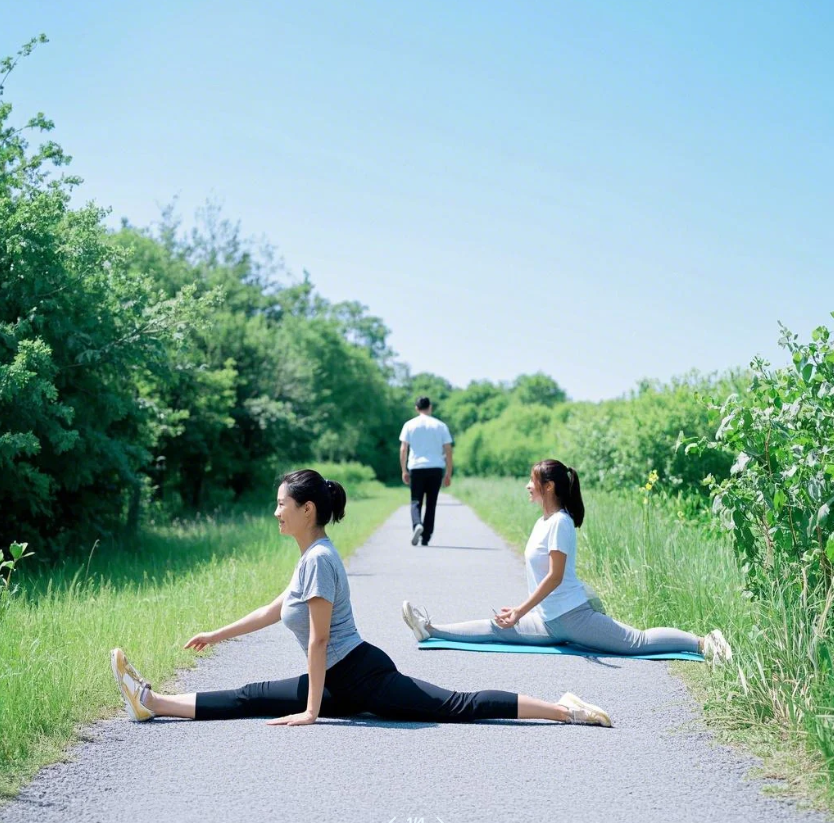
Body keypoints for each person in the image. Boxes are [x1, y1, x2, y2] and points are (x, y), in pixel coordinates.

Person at [110, 469, 612, 728]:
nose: (276, 512)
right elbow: (274, 610)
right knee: (253, 695)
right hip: (339, 678)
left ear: (307, 510)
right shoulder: (310, 558)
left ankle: (564, 709)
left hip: (362, 674)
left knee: (457, 706)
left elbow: (321, 638)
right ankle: (151, 701)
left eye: (281, 505)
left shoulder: (320, 560)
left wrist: (311, 711)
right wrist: (214, 635)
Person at [402, 459, 733, 663]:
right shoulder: (542, 521)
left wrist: (520, 610)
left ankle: (705, 643)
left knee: (637, 641)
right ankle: (430, 628)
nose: (527, 486)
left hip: (572, 616)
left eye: (533, 481)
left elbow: (555, 577)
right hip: (550, 619)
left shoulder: (560, 522)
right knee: (495, 628)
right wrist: (518, 614)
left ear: (548, 487)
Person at [399, 396, 453, 546]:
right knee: (431, 503)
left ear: (416, 408)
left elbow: (404, 448)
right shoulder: (440, 425)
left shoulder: (409, 425)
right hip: (436, 468)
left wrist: (404, 470)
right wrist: (448, 473)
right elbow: (448, 450)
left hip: (416, 467)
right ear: (430, 407)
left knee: (416, 500)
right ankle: (426, 537)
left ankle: (417, 524)